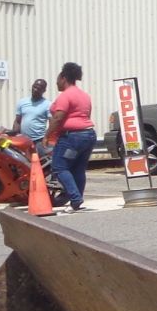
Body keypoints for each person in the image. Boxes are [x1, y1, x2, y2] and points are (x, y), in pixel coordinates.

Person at [45, 62, 96, 213]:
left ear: (63, 77)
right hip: (88, 134)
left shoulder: (65, 96)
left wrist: (48, 135)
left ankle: (75, 198)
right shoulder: (84, 96)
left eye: (58, 79)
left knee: (59, 167)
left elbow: (58, 117)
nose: (56, 83)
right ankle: (77, 202)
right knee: (79, 169)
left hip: (72, 137)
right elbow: (86, 115)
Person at [12, 78, 52, 154]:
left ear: (44, 90)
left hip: (39, 141)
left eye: (39, 88)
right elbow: (17, 121)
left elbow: (52, 123)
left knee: (39, 163)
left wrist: (46, 137)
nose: (36, 89)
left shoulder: (48, 104)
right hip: (23, 141)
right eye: (35, 87)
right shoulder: (22, 102)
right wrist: (14, 135)